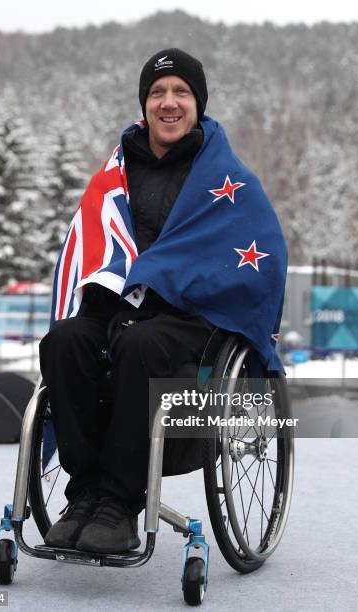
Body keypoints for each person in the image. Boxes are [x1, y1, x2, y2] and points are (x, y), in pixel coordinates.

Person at [39, 48, 287, 554]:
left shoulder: (229, 180)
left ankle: (118, 501)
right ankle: (86, 492)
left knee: (142, 343)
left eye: (181, 93)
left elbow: (263, 255)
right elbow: (96, 239)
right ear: (144, 104)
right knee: (64, 341)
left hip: (192, 318)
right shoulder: (116, 173)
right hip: (119, 307)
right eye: (157, 93)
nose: (168, 103)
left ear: (198, 104)